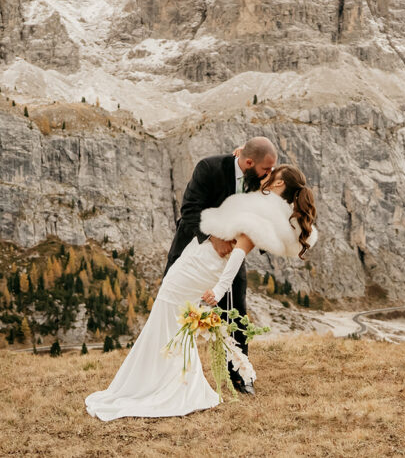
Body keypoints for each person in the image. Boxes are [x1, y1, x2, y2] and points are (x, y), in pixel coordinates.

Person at [84, 165, 317, 421]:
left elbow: (239, 252)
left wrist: (218, 290)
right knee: (171, 323)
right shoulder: (271, 210)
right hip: (199, 262)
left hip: (199, 266)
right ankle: (175, 384)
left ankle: (157, 387)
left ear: (278, 183)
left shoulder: (264, 212)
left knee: (165, 320)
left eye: (273, 175)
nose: (267, 176)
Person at [163, 136, 277, 393]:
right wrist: (214, 238)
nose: (268, 175)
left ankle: (240, 374)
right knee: (173, 310)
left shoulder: (259, 180)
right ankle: (169, 373)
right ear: (248, 162)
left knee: (237, 311)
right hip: (192, 253)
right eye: (265, 169)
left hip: (231, 258)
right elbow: (190, 210)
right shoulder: (209, 168)